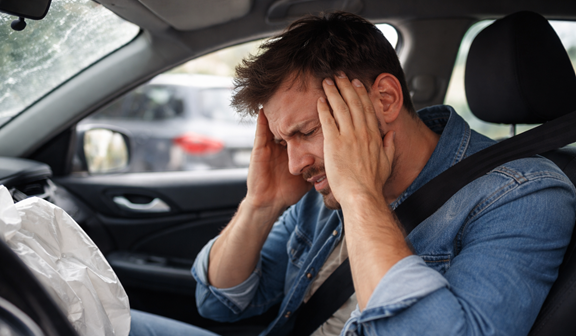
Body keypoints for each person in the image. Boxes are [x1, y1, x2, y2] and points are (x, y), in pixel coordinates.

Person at [131, 11, 576, 336]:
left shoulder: (523, 195)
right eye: (285, 143)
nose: (294, 163)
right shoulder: (315, 192)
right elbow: (219, 303)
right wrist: (260, 204)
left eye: (306, 132)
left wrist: (362, 196)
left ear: (383, 100)